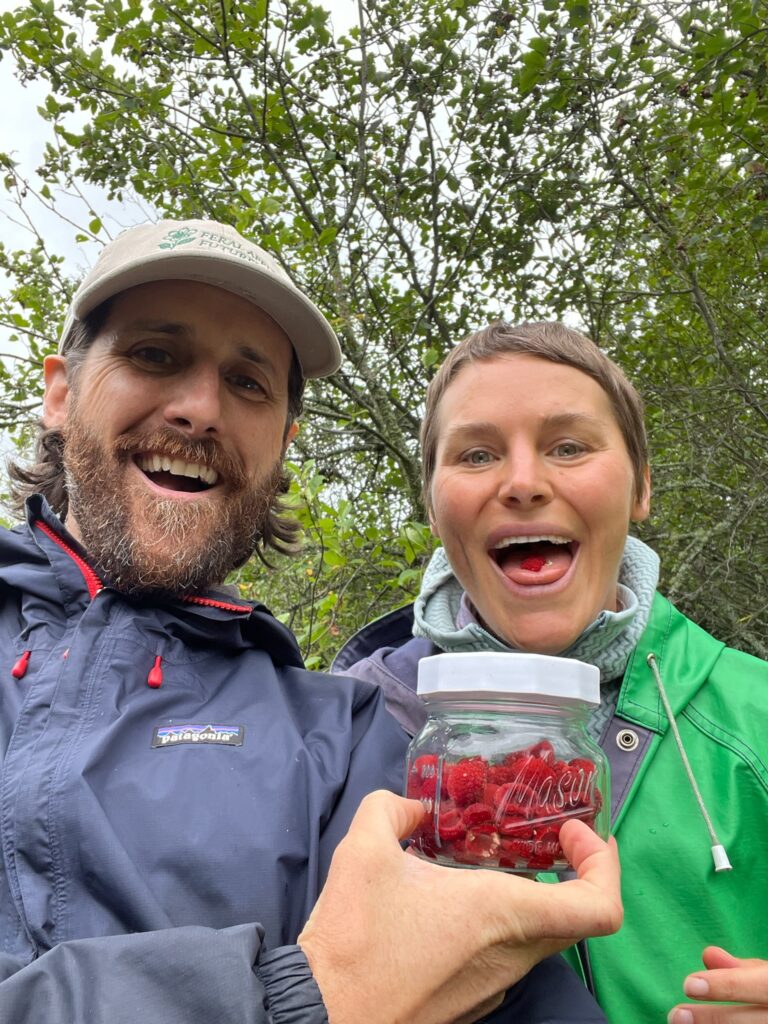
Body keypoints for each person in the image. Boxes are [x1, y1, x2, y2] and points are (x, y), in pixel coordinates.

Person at [0, 223, 623, 1024]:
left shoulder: (346, 738)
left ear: (282, 444)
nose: (199, 409)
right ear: (59, 393)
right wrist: (304, 996)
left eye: (249, 384)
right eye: (155, 355)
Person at [334, 320, 768, 1024]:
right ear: (433, 505)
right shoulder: (342, 730)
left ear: (641, 487)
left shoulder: (754, 716)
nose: (524, 482)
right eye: (476, 454)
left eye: (569, 446)